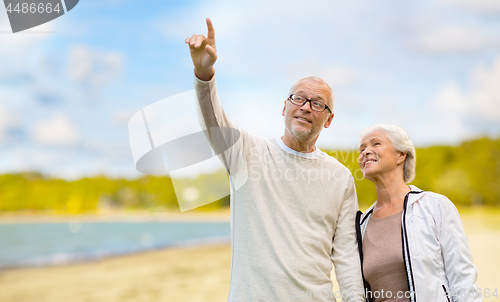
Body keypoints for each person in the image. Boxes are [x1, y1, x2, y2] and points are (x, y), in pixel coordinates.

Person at [185, 18, 364, 301]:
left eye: (317, 103)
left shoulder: (340, 176)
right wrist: (204, 74)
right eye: (298, 99)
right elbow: (212, 120)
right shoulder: (246, 153)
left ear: (328, 120)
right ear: (284, 107)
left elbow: (346, 257)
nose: (305, 107)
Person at [355, 124, 481, 302]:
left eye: (376, 144)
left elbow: (463, 279)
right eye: (362, 149)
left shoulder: (435, 207)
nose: (366, 151)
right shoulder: (361, 225)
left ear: (401, 155)